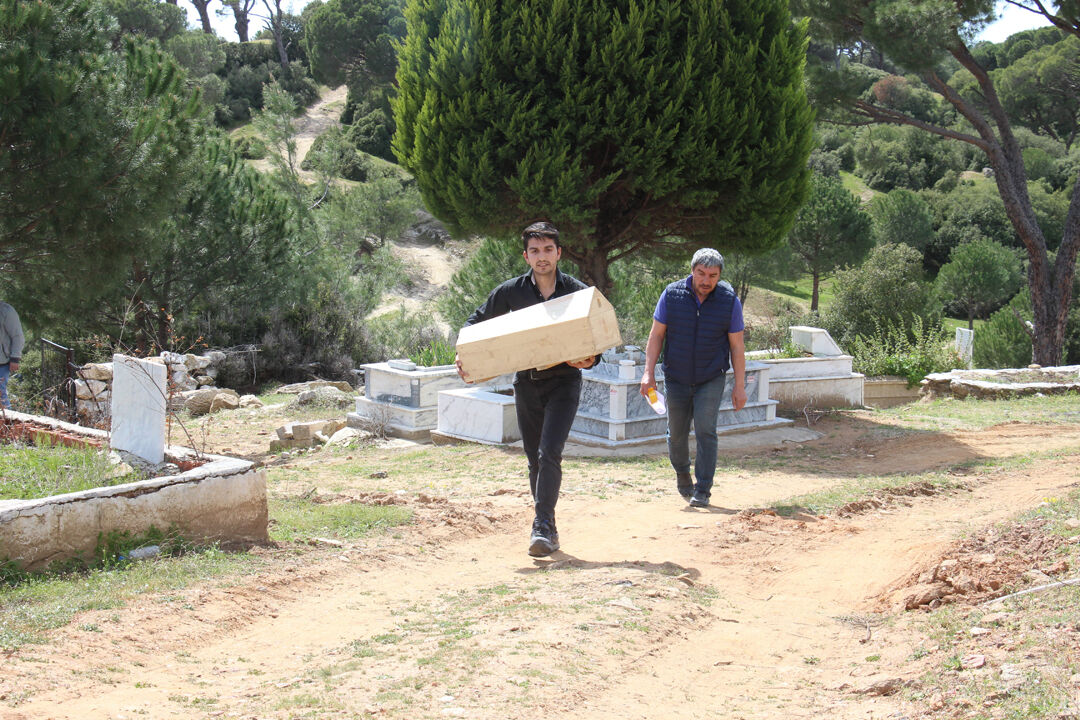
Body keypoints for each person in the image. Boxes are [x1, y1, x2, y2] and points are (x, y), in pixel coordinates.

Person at [455, 222, 598, 557]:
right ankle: (546, 524)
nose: (542, 256)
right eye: (535, 250)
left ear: (559, 252)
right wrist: (466, 356)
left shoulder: (576, 292)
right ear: (526, 255)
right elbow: (473, 324)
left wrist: (590, 360)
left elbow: (595, 338)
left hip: (565, 383)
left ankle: (542, 526)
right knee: (534, 458)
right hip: (526, 385)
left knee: (550, 452)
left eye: (548, 249)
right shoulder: (511, 292)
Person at [639, 248, 746, 508]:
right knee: (676, 433)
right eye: (701, 274)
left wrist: (739, 386)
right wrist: (648, 372)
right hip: (676, 376)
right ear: (692, 271)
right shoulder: (672, 294)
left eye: (713, 275)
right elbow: (656, 336)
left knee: (706, 430)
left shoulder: (729, 300)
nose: (706, 280)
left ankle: (703, 489)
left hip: (711, 376)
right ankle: (682, 472)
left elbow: (737, 346)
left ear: (719, 276)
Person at [0, 301, 24, 410]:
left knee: (0, 395)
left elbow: (17, 336)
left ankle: (7, 425)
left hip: (2, 362)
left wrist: (15, 358)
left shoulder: (6, 310)